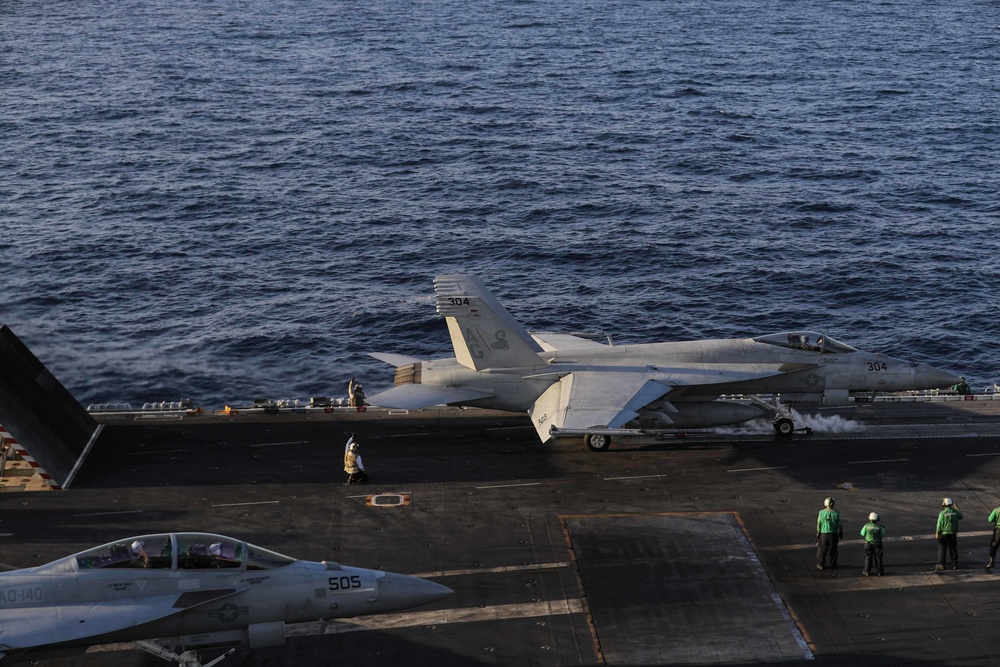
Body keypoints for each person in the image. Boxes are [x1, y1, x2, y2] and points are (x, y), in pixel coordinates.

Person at [936, 497, 963, 570]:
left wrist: (937, 532)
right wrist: (957, 508)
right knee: (953, 549)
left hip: (944, 534)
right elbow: (961, 517)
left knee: (942, 549)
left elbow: (939, 524)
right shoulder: (955, 512)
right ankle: (955, 564)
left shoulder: (942, 513)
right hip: (953, 533)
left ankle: (942, 564)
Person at [816, 497, 843, 570]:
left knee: (822, 550)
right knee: (833, 549)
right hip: (834, 534)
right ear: (832, 504)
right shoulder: (837, 513)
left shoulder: (821, 512)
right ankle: (833, 564)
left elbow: (819, 523)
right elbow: (840, 524)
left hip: (824, 534)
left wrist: (818, 532)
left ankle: (820, 564)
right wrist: (841, 532)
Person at [860, 512, 886, 576]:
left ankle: (867, 571)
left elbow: (862, 533)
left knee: (868, 557)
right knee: (878, 558)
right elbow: (883, 534)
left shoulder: (866, 526)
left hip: (868, 544)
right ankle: (880, 571)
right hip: (877, 544)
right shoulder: (880, 527)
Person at [986, 502, 1000, 569]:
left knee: (994, 545)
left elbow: (990, 519)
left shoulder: (996, 510)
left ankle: (991, 562)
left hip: (998, 530)